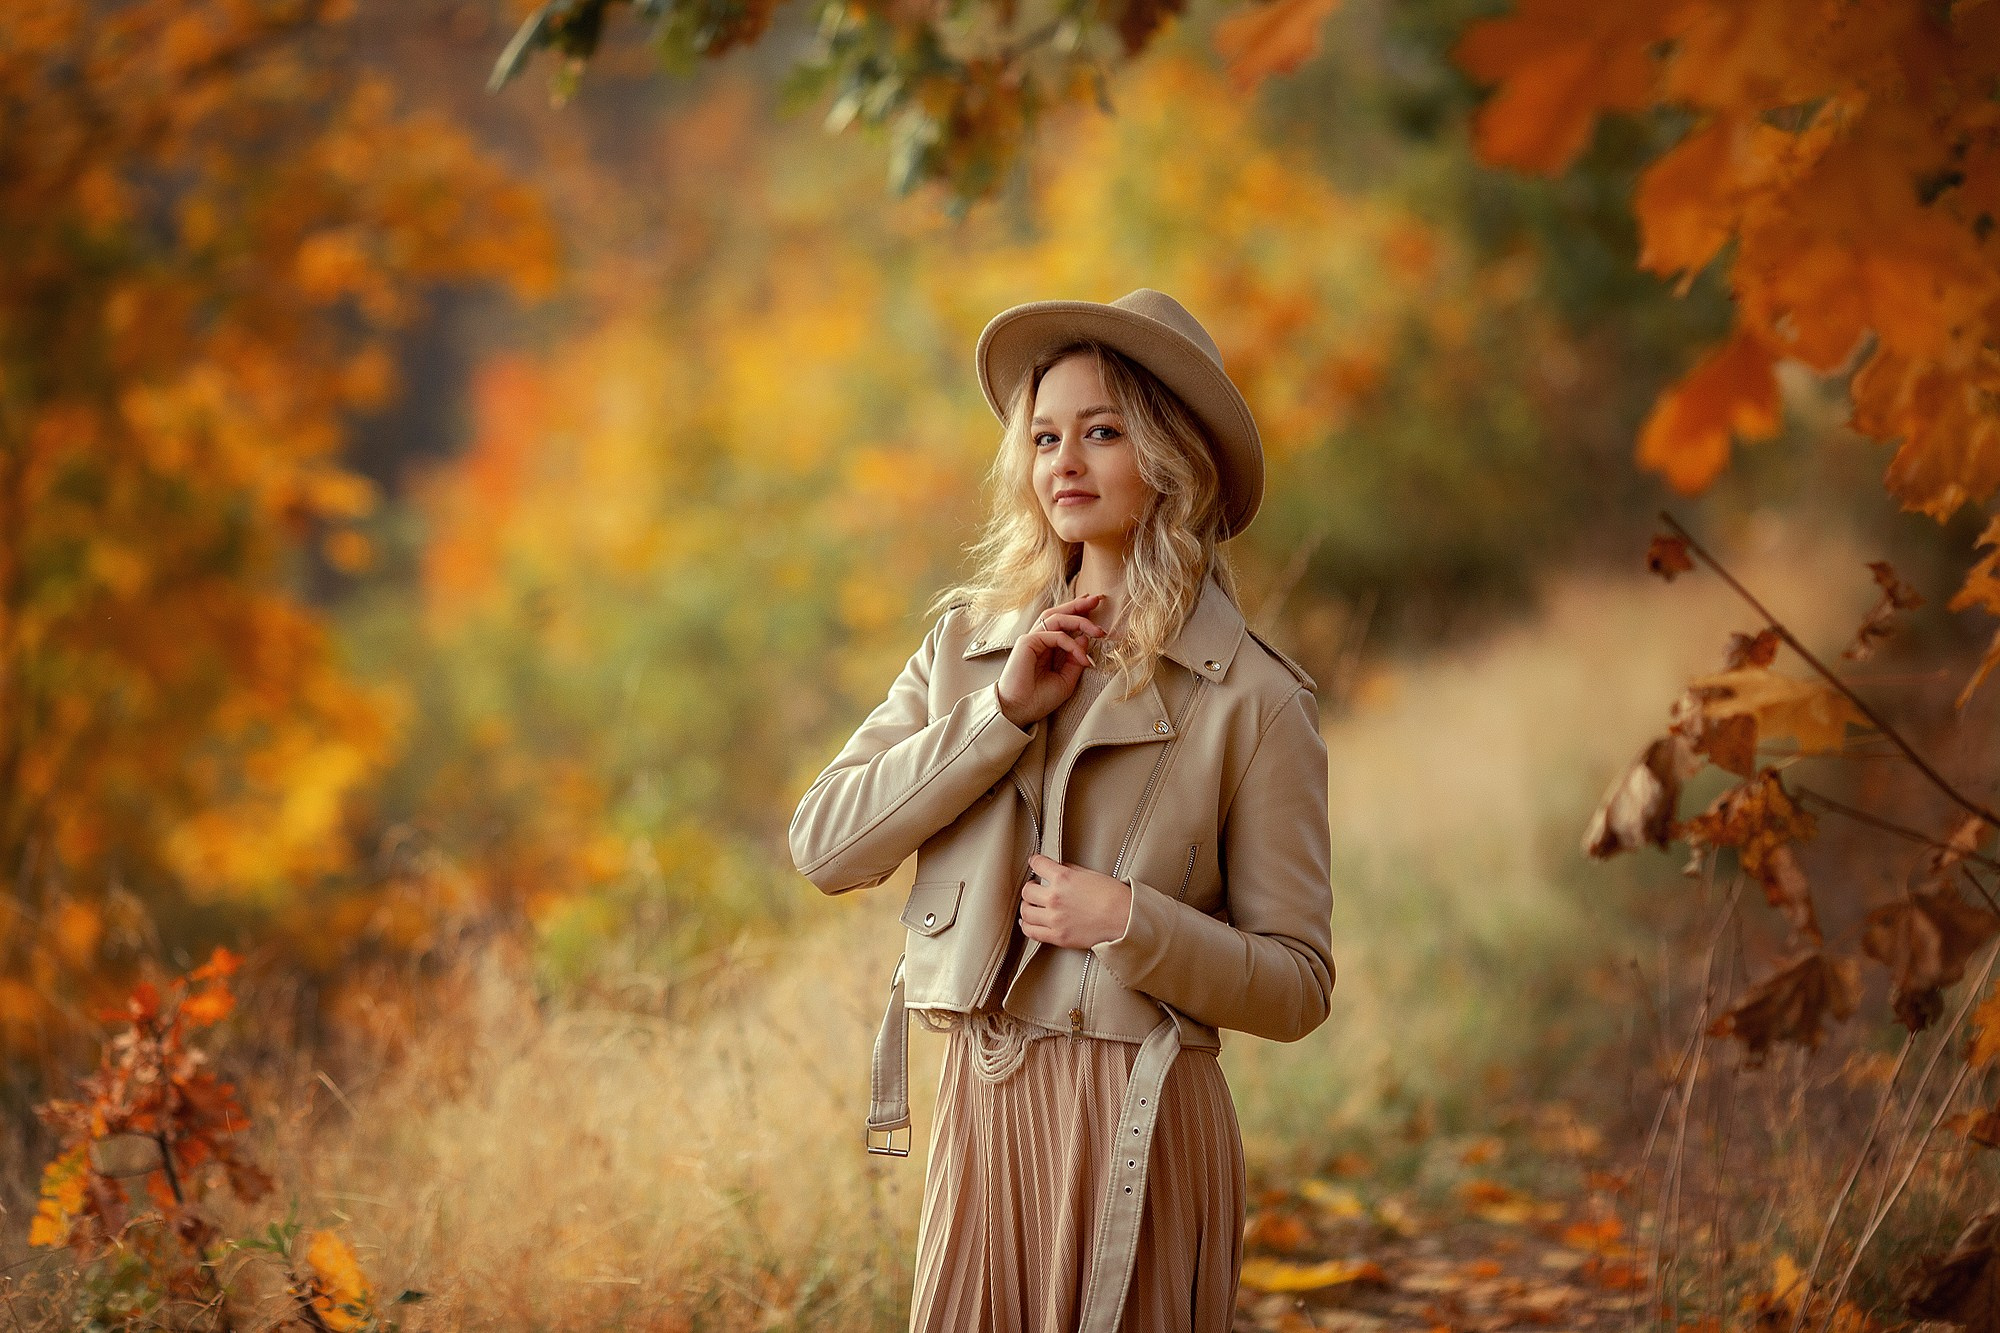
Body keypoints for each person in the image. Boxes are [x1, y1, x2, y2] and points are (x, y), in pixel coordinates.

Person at [789, 287, 1335, 1333]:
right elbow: (825, 844)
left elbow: (1297, 985)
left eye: (1101, 431)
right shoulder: (964, 652)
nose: (1063, 463)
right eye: (1044, 436)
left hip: (1142, 1118)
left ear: (1172, 456)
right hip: (983, 1114)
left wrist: (1134, 922)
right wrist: (998, 715)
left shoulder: (1255, 701)